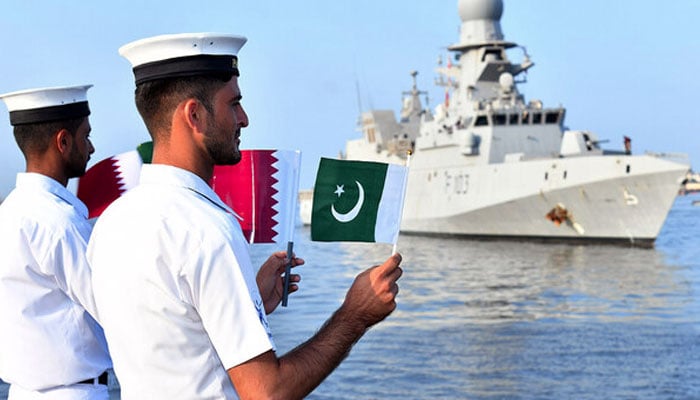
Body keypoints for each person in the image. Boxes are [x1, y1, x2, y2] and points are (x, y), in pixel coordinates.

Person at [87, 33, 403, 399]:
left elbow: (169, 340)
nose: (244, 118)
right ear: (195, 115)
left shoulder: (113, 222)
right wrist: (354, 315)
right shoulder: (205, 229)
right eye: (233, 104)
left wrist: (248, 308)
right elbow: (266, 392)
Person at [0, 85, 112, 399]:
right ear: (63, 142)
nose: (91, 148)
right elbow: (115, 309)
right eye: (86, 136)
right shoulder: (59, 224)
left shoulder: (8, 212)